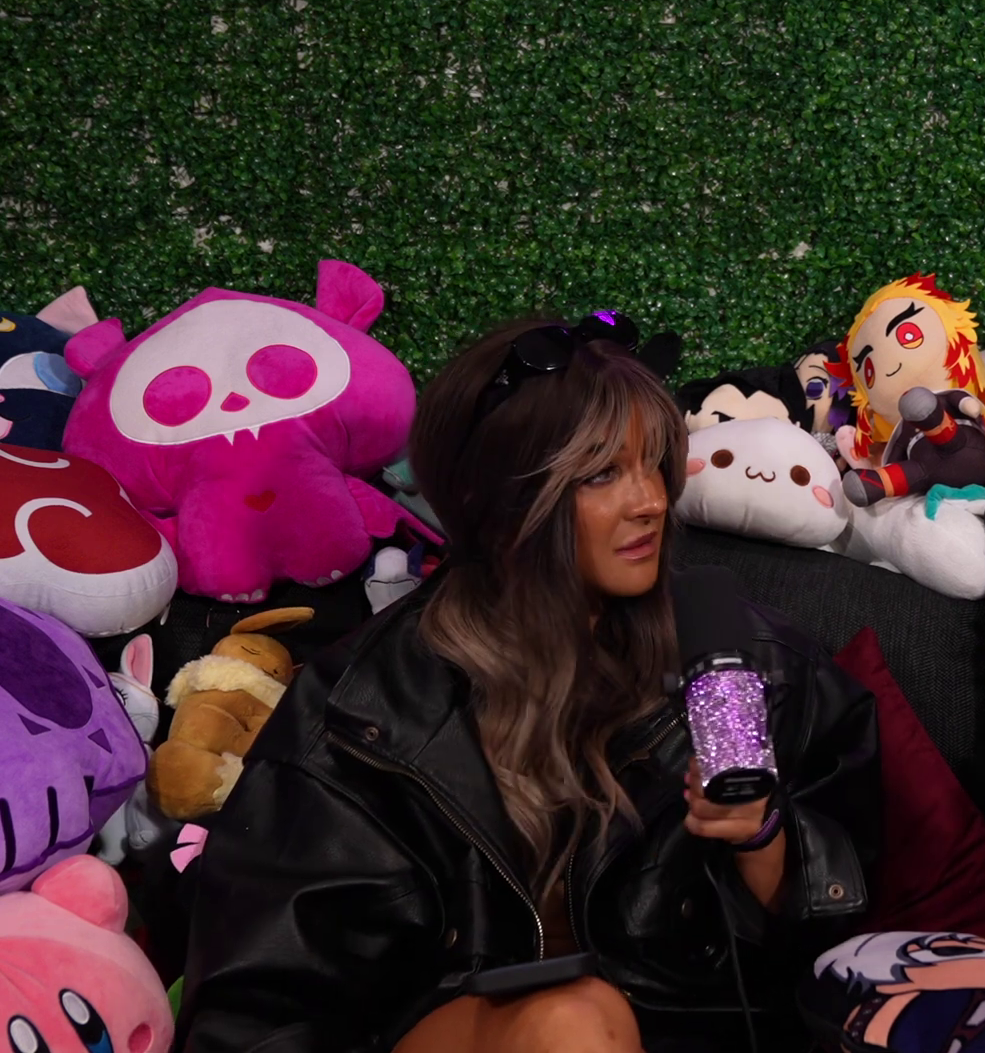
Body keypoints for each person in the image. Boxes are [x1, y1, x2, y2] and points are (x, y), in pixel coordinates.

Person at [173, 312, 881, 1053]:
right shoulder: (357, 713)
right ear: (503, 500)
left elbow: (838, 945)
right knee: (571, 1021)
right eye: (602, 474)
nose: (650, 500)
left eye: (655, 462)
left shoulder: (757, 663)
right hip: (457, 1033)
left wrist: (761, 835)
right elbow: (257, 1010)